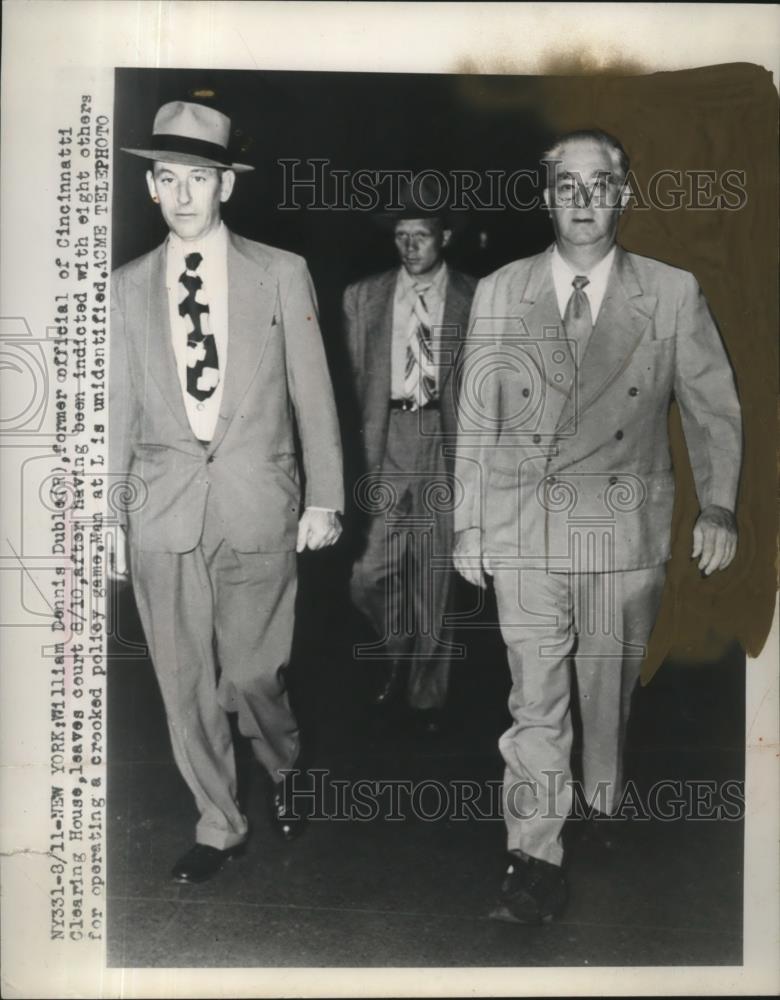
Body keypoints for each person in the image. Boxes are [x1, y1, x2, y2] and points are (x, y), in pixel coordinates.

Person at [453, 129, 741, 923]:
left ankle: (602, 800)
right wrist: (469, 524)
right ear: (547, 197)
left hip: (621, 529)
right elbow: (477, 418)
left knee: (604, 694)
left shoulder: (671, 293)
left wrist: (718, 504)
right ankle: (534, 857)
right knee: (535, 701)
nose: (583, 200)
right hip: (525, 526)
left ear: (624, 195)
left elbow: (714, 408)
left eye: (600, 183)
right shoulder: (502, 291)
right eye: (567, 185)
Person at [109, 101, 344, 884]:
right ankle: (219, 821)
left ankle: (285, 763)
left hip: (258, 503)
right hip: (159, 507)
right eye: (167, 178)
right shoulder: (125, 287)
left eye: (198, 178)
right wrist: (109, 517)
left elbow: (314, 390)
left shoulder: (281, 273)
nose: (182, 195)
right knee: (183, 683)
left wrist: (326, 496)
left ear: (226, 187)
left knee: (248, 675)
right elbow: (116, 409)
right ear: (149, 187)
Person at [343, 179, 476, 735]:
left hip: (448, 442)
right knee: (369, 572)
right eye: (401, 236)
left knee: (435, 577)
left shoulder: (479, 295)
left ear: (444, 236)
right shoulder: (362, 296)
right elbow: (349, 378)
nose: (409, 247)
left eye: (420, 235)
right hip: (386, 438)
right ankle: (395, 652)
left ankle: (426, 696)